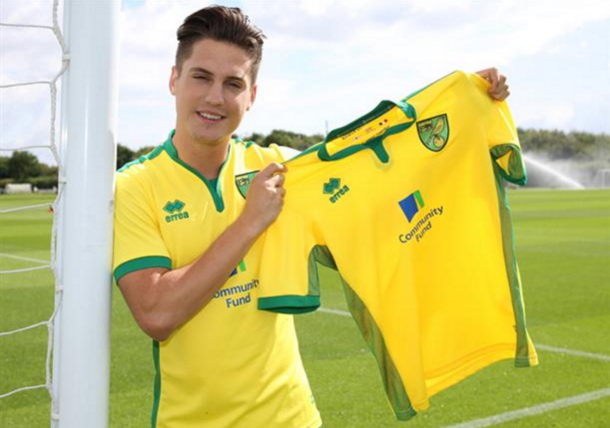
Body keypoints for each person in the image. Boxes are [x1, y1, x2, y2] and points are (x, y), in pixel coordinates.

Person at [112, 5, 511, 428]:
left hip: (293, 418)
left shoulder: (281, 169)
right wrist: (250, 223)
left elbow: (375, 166)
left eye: (234, 83)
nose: (215, 97)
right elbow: (157, 315)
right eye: (201, 77)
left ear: (252, 97)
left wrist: (462, 107)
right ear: (174, 80)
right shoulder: (135, 186)